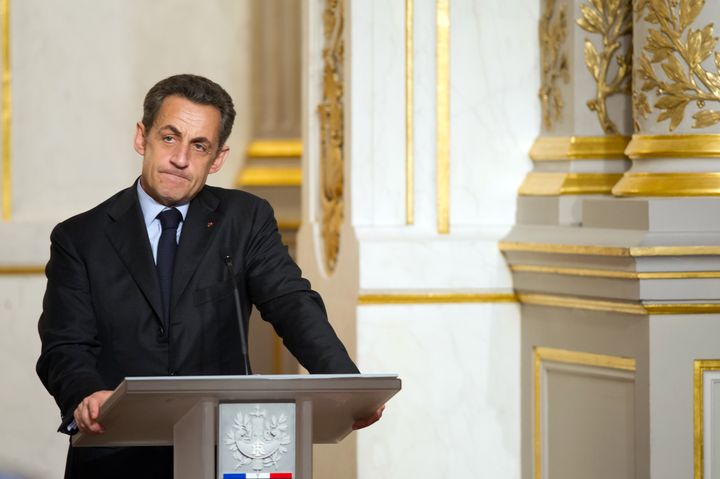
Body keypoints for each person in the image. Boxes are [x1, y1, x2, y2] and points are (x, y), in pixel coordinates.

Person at [36, 74, 382, 479]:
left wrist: (344, 384)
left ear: (217, 158)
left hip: (229, 449)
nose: (180, 158)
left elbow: (291, 303)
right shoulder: (80, 237)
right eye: (169, 138)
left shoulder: (245, 219)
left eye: (199, 146)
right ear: (141, 137)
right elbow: (65, 345)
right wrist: (85, 395)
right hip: (116, 450)